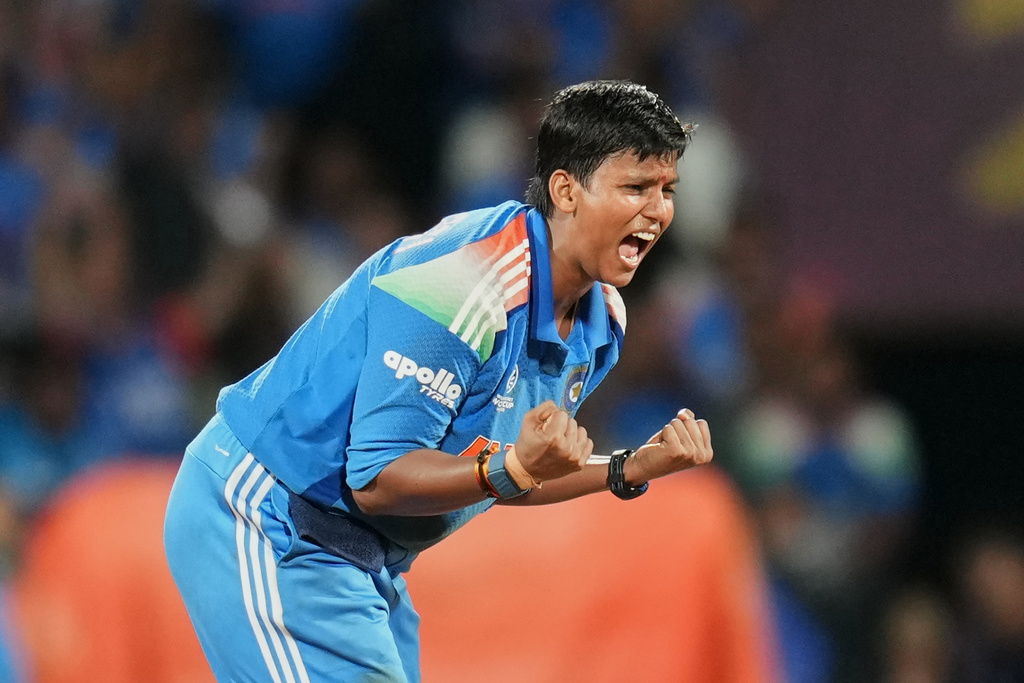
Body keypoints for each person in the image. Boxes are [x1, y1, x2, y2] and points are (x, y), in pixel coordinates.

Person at [164, 79, 712, 682]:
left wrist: (626, 468)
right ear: (566, 190)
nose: (658, 211)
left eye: (667, 190)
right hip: (269, 518)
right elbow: (379, 477)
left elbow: (511, 471)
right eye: (636, 187)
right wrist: (514, 467)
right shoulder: (462, 284)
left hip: (362, 557)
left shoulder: (601, 319)